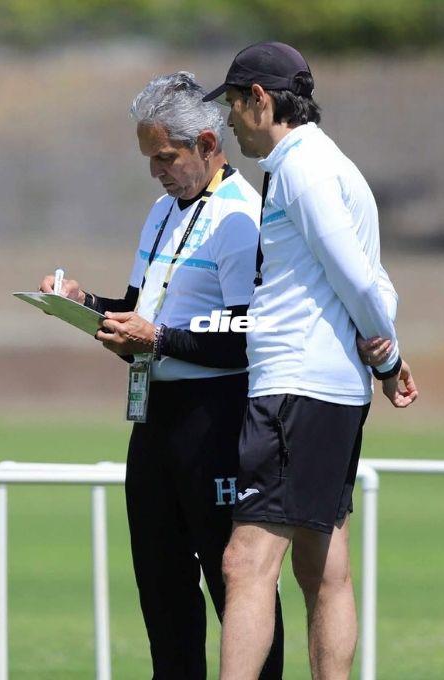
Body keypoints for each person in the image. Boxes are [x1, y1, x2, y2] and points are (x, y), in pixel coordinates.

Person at [39, 72, 284, 679]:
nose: (156, 172)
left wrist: (159, 339)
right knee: (161, 584)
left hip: (218, 417)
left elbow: (245, 333)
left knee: (236, 585)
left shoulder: (240, 216)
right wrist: (86, 303)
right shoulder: (161, 212)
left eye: (165, 158)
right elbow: (143, 307)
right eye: (149, 159)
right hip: (154, 417)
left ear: (206, 141)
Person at [202, 42, 419, 679]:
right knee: (323, 568)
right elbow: (377, 279)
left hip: (296, 389)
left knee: (245, 563)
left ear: (260, 100)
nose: (231, 122)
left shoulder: (302, 167)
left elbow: (357, 276)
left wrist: (387, 351)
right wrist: (385, 351)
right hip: (322, 389)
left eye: (235, 107)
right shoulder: (327, 164)